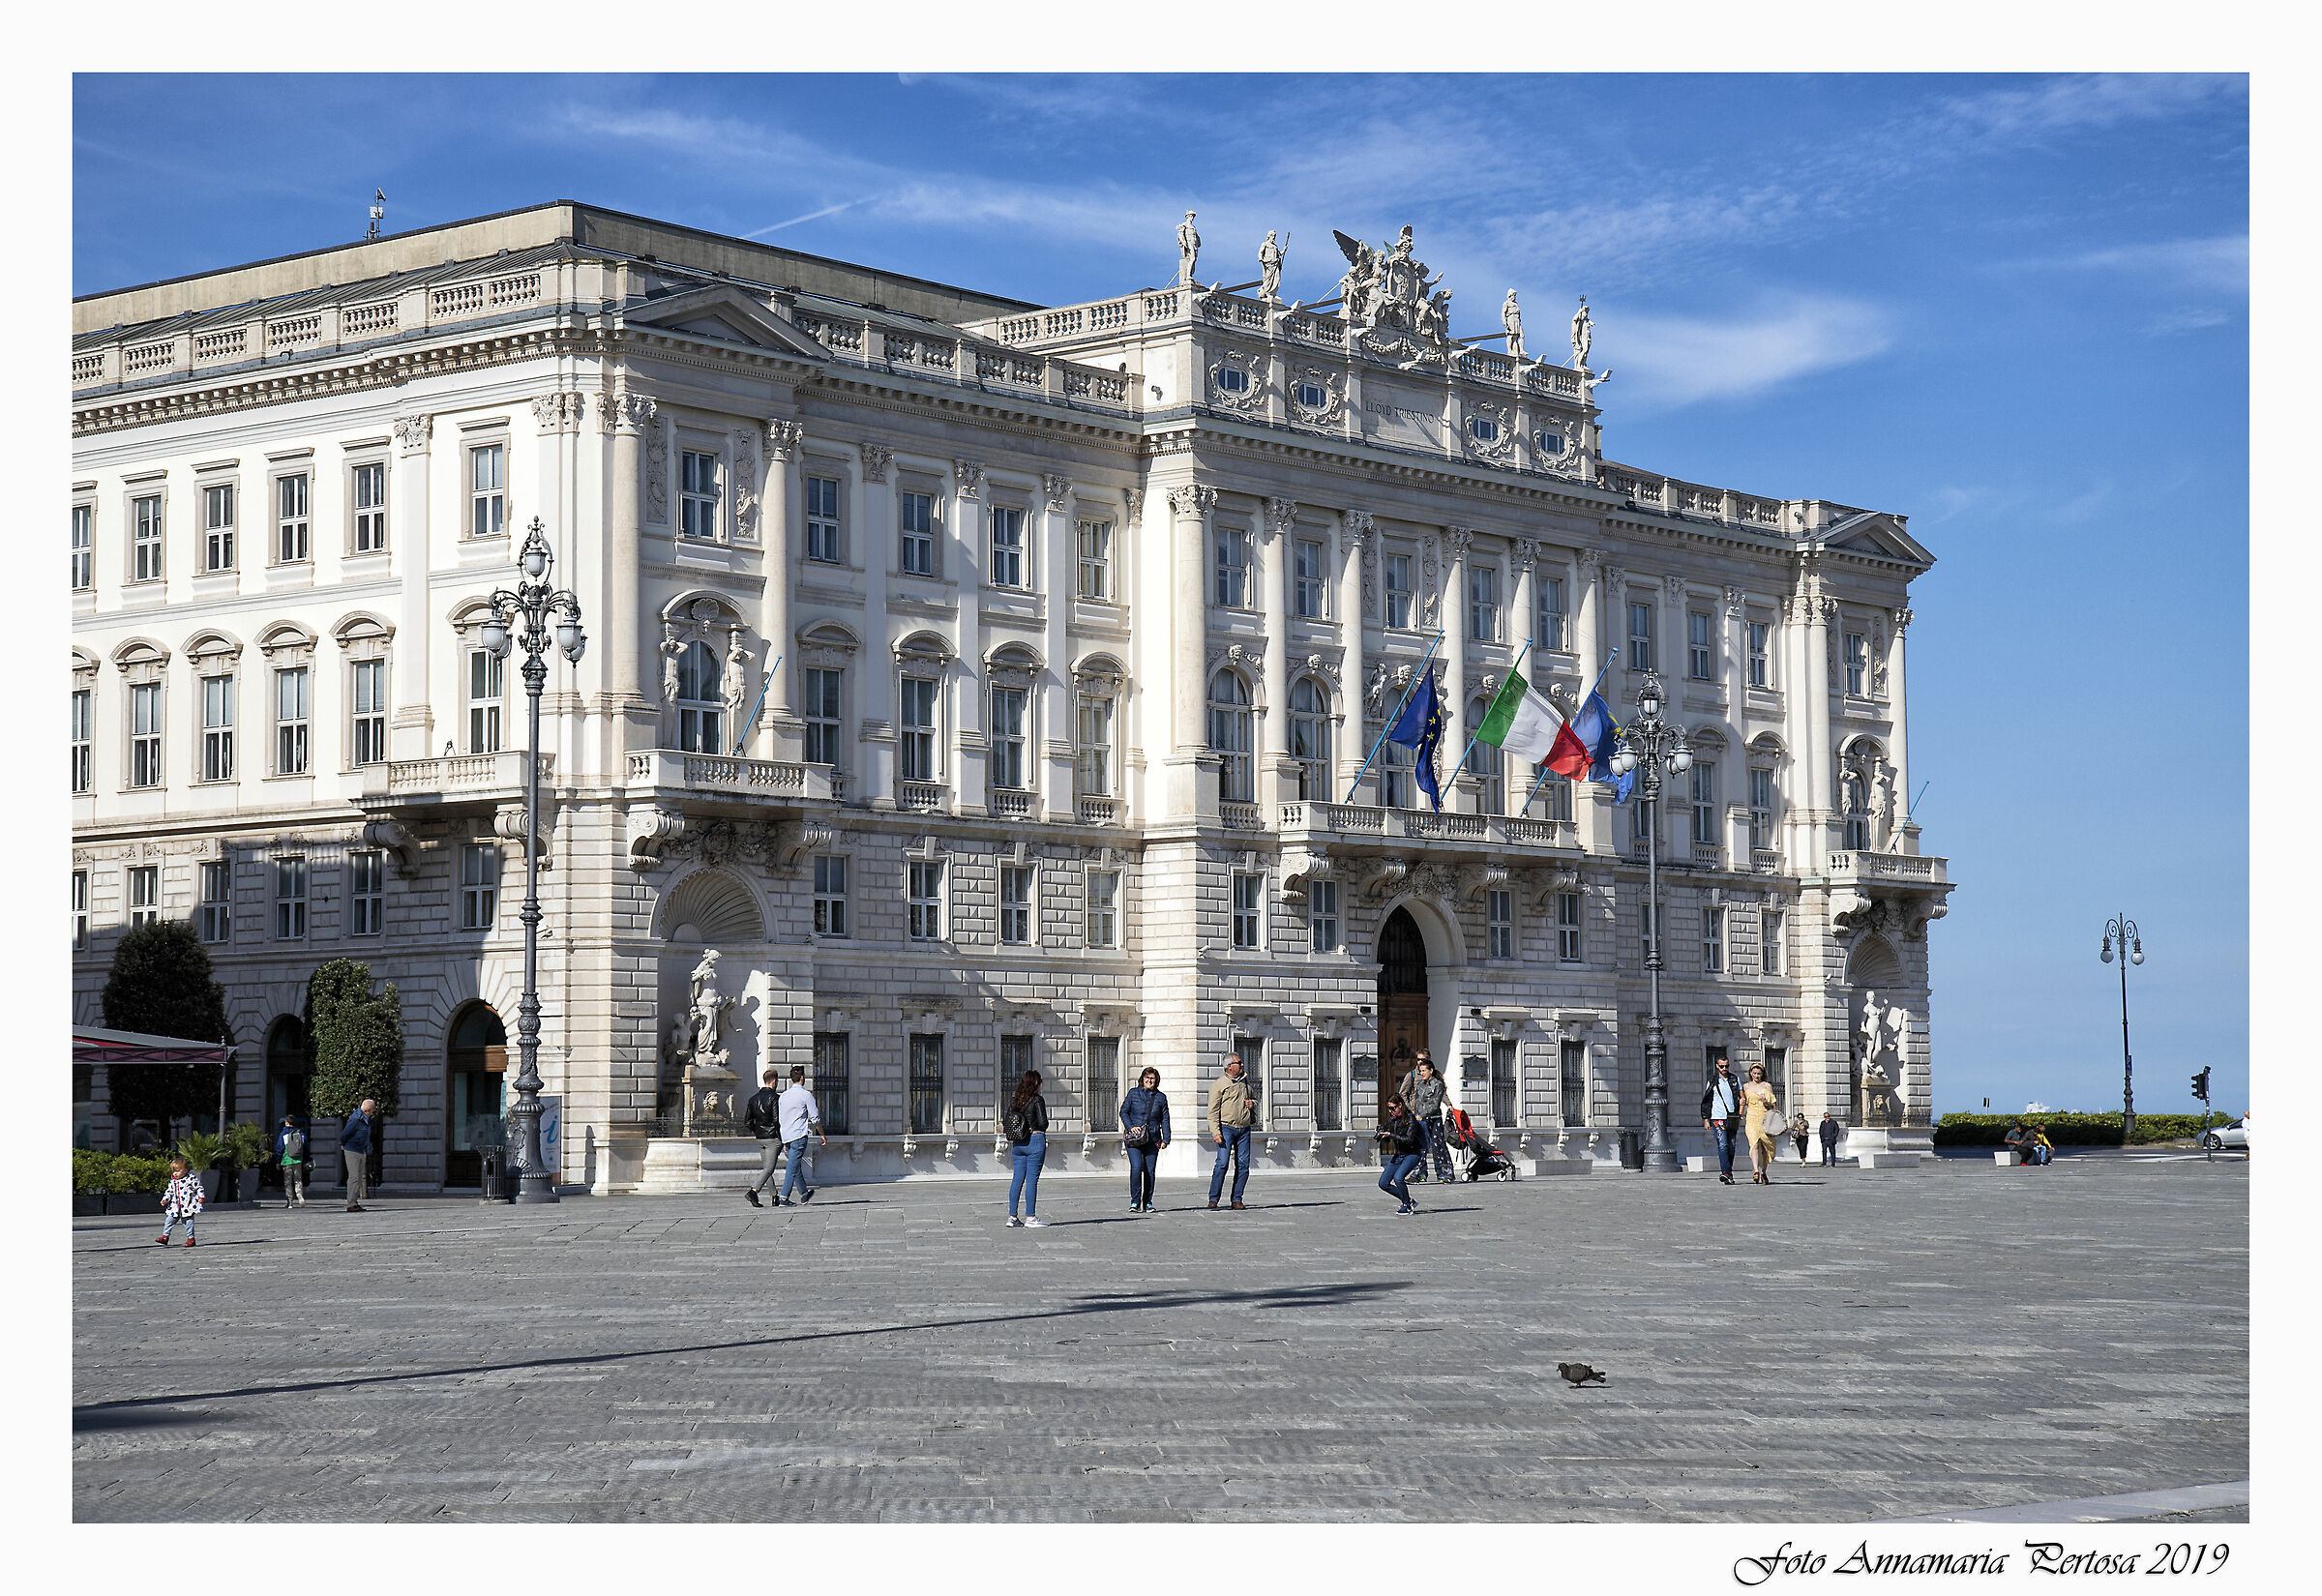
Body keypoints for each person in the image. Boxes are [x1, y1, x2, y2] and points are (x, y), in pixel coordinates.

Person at [1206, 1052, 1258, 1210]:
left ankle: (1237, 1199)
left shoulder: (1245, 1083)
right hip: (1226, 1128)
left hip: (1244, 1129)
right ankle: (1213, 1199)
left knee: (1243, 1165)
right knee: (1222, 1163)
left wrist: (1252, 1104)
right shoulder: (1219, 1085)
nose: (1242, 1065)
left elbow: (1255, 1099)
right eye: (1239, 1062)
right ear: (1229, 1066)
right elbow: (1212, 1111)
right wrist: (1215, 1132)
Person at [1119, 1066, 1171, 1214]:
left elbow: (1165, 1119)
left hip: (1152, 1139)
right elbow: (1123, 1111)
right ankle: (1135, 1201)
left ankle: (1147, 1202)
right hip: (1134, 1139)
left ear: (1156, 1081)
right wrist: (1130, 1127)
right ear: (1142, 1079)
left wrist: (1166, 1138)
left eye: (1152, 1078)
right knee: (1136, 1168)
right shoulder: (1133, 1093)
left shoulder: (1161, 1098)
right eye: (1147, 1078)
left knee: (1149, 1171)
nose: (1149, 1080)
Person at [1004, 1069, 1050, 1227]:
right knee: (1031, 1180)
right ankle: (1030, 1217)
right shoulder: (1038, 1100)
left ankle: (1012, 1217)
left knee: (1017, 1179)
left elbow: (1007, 1120)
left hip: (1018, 1143)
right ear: (1035, 1084)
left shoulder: (1015, 1100)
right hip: (1035, 1141)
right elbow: (1044, 1123)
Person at [777, 1065, 826, 1207]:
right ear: (802, 1078)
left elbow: (781, 1118)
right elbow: (815, 1118)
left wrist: (784, 1140)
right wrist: (822, 1135)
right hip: (798, 1135)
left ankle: (804, 1194)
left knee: (795, 1164)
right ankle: (784, 1198)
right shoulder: (806, 1095)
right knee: (792, 1167)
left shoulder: (784, 1096)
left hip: (786, 1135)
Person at [1402, 1055, 1453, 1184]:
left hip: (1434, 1119)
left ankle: (1444, 1173)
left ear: (1431, 1070)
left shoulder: (1438, 1085)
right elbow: (1418, 1102)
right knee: (1420, 1147)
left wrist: (1423, 1114)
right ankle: (1419, 1173)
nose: (1421, 1073)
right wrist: (1416, 1115)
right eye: (1421, 1071)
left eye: (1424, 1070)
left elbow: (1435, 1105)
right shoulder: (1420, 1085)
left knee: (1438, 1146)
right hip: (1421, 1120)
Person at [741, 1068, 786, 1207]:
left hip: (760, 1137)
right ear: (774, 1081)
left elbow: (747, 1122)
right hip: (773, 1138)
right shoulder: (775, 1098)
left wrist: (757, 1131)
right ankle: (753, 1191)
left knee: (767, 1167)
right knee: (769, 1168)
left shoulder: (753, 1099)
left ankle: (774, 1196)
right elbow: (776, 1120)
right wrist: (781, 1138)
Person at [1377, 1091, 1427, 1215]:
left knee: (1398, 1178)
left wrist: (1391, 1134)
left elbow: (1409, 1140)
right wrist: (1382, 1134)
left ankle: (1406, 1205)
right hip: (1399, 1155)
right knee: (1383, 1183)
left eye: (1392, 1108)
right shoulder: (1393, 1120)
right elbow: (1389, 1139)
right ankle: (1408, 1200)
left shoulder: (1410, 1119)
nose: (1390, 1111)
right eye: (1388, 1108)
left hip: (1413, 1154)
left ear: (1400, 1105)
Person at [1700, 1057, 1742, 1184]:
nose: (1725, 1069)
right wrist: (1706, 1119)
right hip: (1717, 1117)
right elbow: (1707, 1100)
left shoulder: (1734, 1079)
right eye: (1722, 1066)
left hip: (1732, 1117)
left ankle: (1728, 1171)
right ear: (1717, 1066)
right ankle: (1726, 1172)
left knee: (1732, 1146)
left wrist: (1740, 1114)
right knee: (1722, 1144)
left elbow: (1741, 1097)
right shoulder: (1712, 1081)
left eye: (1727, 1066)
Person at [1742, 1062, 1781, 1185]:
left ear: (1762, 1074)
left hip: (1764, 1118)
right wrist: (1741, 1110)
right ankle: (1755, 1171)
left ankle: (1763, 1171)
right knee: (1754, 1144)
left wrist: (1766, 1101)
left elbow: (1772, 1105)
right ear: (1751, 1073)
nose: (1756, 1076)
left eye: (1759, 1073)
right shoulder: (1746, 1087)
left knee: (1764, 1146)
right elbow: (1744, 1102)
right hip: (1751, 1118)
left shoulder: (1767, 1086)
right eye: (1754, 1073)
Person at [157, 1155, 203, 1248]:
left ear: (185, 1170)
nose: (175, 1174)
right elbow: (169, 1191)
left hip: (187, 1206)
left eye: (177, 1171)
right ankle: (165, 1236)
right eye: (173, 1171)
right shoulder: (173, 1181)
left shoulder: (190, 1179)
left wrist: (201, 1196)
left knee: (188, 1223)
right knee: (169, 1221)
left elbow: (198, 1187)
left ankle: (191, 1238)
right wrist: (165, 1199)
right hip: (175, 1206)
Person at [341, 1098, 374, 1211]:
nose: (373, 1113)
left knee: (359, 1178)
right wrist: (343, 1144)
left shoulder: (364, 1119)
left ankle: (354, 1202)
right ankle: (351, 1203)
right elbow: (345, 1133)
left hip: (361, 1150)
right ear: (368, 1110)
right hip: (352, 1150)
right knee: (354, 1177)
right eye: (373, 1110)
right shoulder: (355, 1119)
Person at [277, 1116, 308, 1208]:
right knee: (298, 1180)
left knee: (288, 1182)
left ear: (286, 1123)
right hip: (298, 1160)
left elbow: (280, 1148)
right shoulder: (301, 1134)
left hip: (287, 1160)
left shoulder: (283, 1134)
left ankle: (289, 1202)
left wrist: (278, 1161)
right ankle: (299, 1194)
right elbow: (306, 1148)